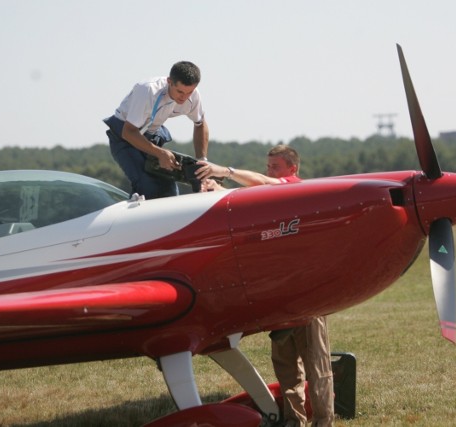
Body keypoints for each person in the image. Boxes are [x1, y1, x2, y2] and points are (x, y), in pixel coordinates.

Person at [195, 145, 334, 427]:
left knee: (316, 366)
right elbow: (249, 197)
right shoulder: (273, 195)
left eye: (275, 167)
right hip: (280, 298)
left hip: (306, 298)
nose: (269, 171)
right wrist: (216, 190)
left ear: (291, 170)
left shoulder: (293, 189)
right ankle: (294, 420)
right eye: (268, 166)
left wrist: (226, 172)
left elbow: (264, 184)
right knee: (285, 366)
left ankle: (323, 420)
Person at [103, 61, 209, 199]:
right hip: (125, 134)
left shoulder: (193, 96)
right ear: (169, 81)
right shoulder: (147, 91)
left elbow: (200, 124)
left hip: (151, 133)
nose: (184, 97)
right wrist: (159, 153)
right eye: (180, 91)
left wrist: (202, 161)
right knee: (146, 186)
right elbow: (128, 132)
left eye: (189, 92)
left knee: (170, 190)